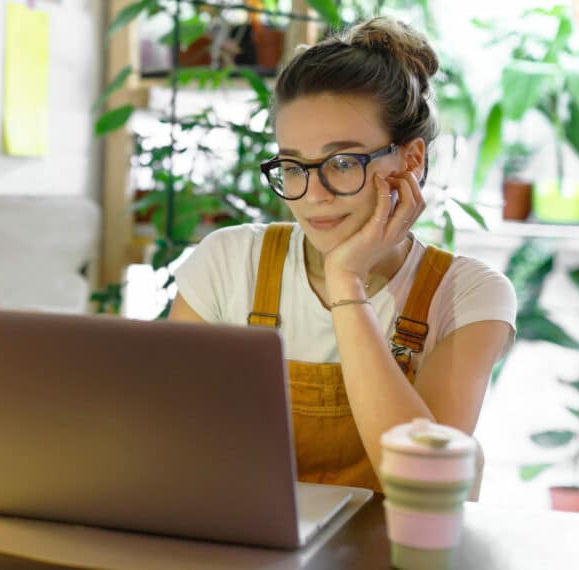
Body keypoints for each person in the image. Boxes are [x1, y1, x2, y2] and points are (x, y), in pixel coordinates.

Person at [169, 16, 517, 492]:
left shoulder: (469, 296)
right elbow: (169, 443)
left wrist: (346, 283)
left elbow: (426, 482)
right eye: (293, 166)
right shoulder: (229, 261)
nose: (312, 194)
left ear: (410, 160)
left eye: (343, 162)